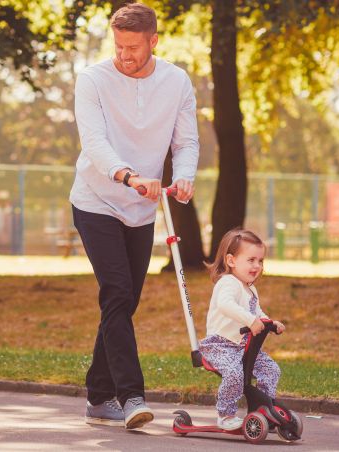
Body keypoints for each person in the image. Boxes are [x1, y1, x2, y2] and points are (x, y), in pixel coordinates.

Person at [69, 3, 199, 430]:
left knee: (122, 301)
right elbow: (93, 140)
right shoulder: (92, 79)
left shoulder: (176, 81)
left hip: (143, 209)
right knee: (118, 292)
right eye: (119, 46)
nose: (124, 55)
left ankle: (97, 396)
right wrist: (128, 176)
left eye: (133, 48)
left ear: (153, 41)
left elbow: (185, 143)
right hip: (96, 200)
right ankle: (131, 397)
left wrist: (181, 179)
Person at [199, 229, 285, 431]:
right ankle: (226, 414)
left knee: (271, 370)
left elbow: (257, 312)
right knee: (235, 374)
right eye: (251, 260)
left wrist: (270, 322)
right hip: (220, 345)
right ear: (231, 260)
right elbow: (225, 304)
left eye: (260, 261)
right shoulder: (227, 283)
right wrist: (251, 320)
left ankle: (264, 408)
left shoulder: (249, 287)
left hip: (242, 346)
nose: (257, 266)